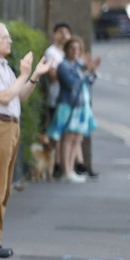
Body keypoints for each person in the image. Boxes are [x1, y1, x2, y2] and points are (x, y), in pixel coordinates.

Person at [0, 22, 51, 258]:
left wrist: (34, 76)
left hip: (9, 126)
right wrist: (24, 74)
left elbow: (21, 96)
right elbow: (6, 97)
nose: (10, 41)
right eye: (4, 37)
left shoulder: (3, 66)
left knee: (4, 187)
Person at [47, 35, 100, 183]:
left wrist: (92, 71)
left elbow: (88, 82)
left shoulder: (78, 65)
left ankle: (71, 169)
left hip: (81, 106)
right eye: (72, 48)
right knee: (67, 138)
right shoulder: (63, 65)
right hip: (68, 105)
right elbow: (72, 84)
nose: (75, 51)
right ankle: (66, 170)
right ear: (66, 50)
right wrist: (84, 70)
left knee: (77, 138)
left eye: (78, 48)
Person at [44, 23, 72, 178]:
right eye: (60, 32)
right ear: (54, 34)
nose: (63, 35)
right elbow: (53, 77)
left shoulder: (69, 53)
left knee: (68, 135)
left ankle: (63, 166)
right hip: (56, 98)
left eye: (66, 32)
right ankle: (55, 166)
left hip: (69, 100)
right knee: (56, 134)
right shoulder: (51, 52)